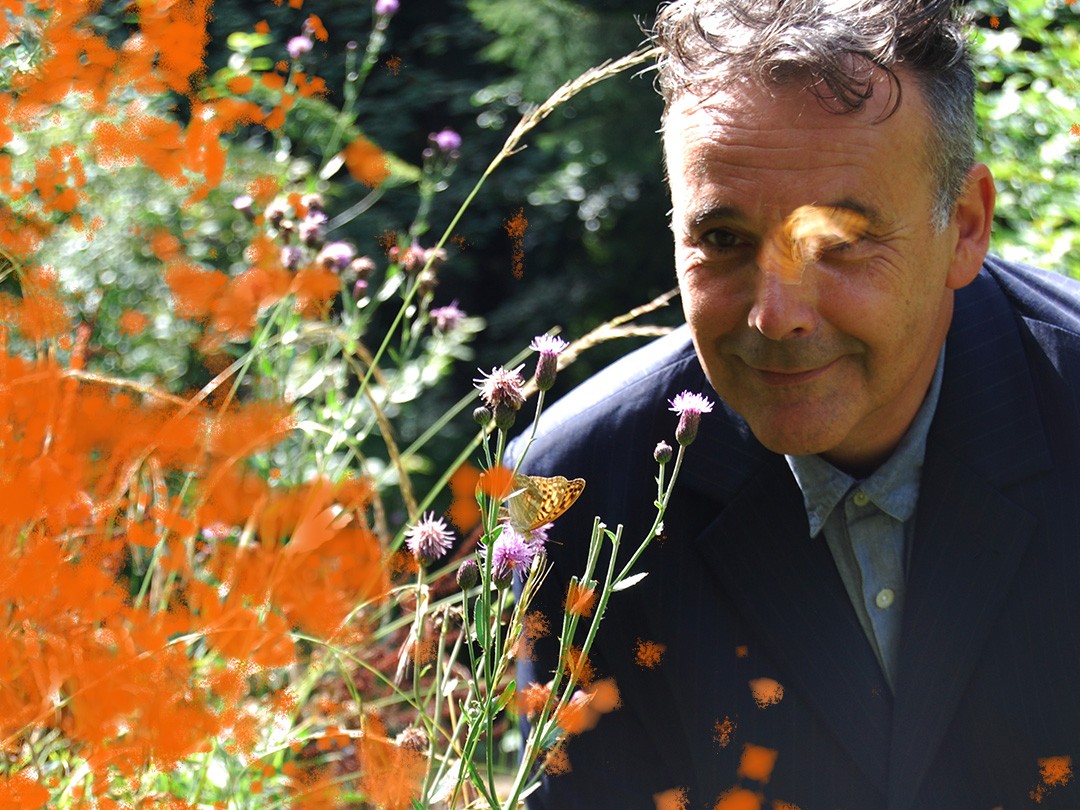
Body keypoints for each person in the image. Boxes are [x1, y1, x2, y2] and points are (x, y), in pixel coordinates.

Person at [512, 1, 1080, 808]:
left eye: (840, 243)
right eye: (724, 240)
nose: (775, 316)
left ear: (965, 227)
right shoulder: (577, 490)